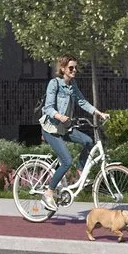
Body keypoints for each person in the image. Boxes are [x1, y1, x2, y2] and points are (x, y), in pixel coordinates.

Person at [38, 56, 107, 202]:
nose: (74, 70)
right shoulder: (54, 83)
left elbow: (82, 101)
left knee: (88, 141)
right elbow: (48, 107)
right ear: (63, 69)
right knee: (67, 161)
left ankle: (81, 170)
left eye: (75, 67)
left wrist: (99, 113)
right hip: (51, 129)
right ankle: (49, 192)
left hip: (65, 128)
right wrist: (59, 116)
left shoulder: (72, 85)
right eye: (71, 68)